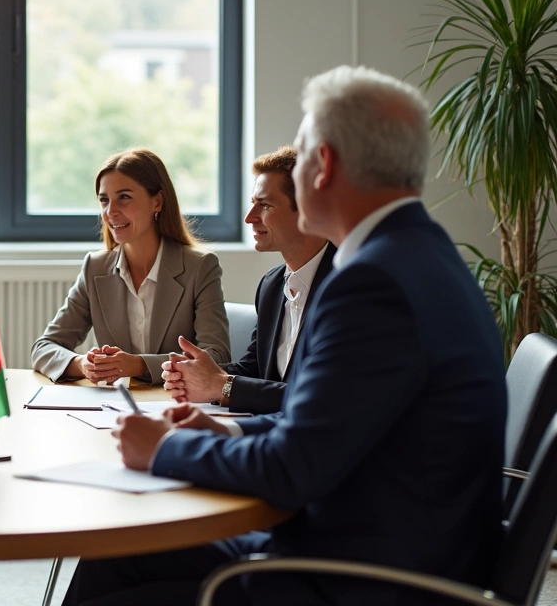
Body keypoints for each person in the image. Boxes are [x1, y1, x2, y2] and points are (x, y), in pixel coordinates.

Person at [64, 66, 507, 605]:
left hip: (360, 576)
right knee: (115, 553)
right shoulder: (422, 255)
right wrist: (223, 432)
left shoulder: (372, 283)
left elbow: (291, 469)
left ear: (325, 166)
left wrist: (169, 448)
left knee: (117, 573)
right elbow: (320, 421)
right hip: (382, 542)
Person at [31, 148, 229, 386]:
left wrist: (137, 364)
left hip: (177, 404)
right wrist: (82, 364)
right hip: (115, 407)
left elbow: (218, 358)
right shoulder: (95, 268)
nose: (110, 211)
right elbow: (43, 348)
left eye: (124, 197)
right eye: (104, 200)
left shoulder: (199, 267)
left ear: (157, 202)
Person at [162, 147, 334, 413]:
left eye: (264, 205)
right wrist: (195, 372)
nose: (249, 217)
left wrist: (222, 385)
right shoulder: (272, 285)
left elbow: (322, 398)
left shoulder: (347, 286)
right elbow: (256, 368)